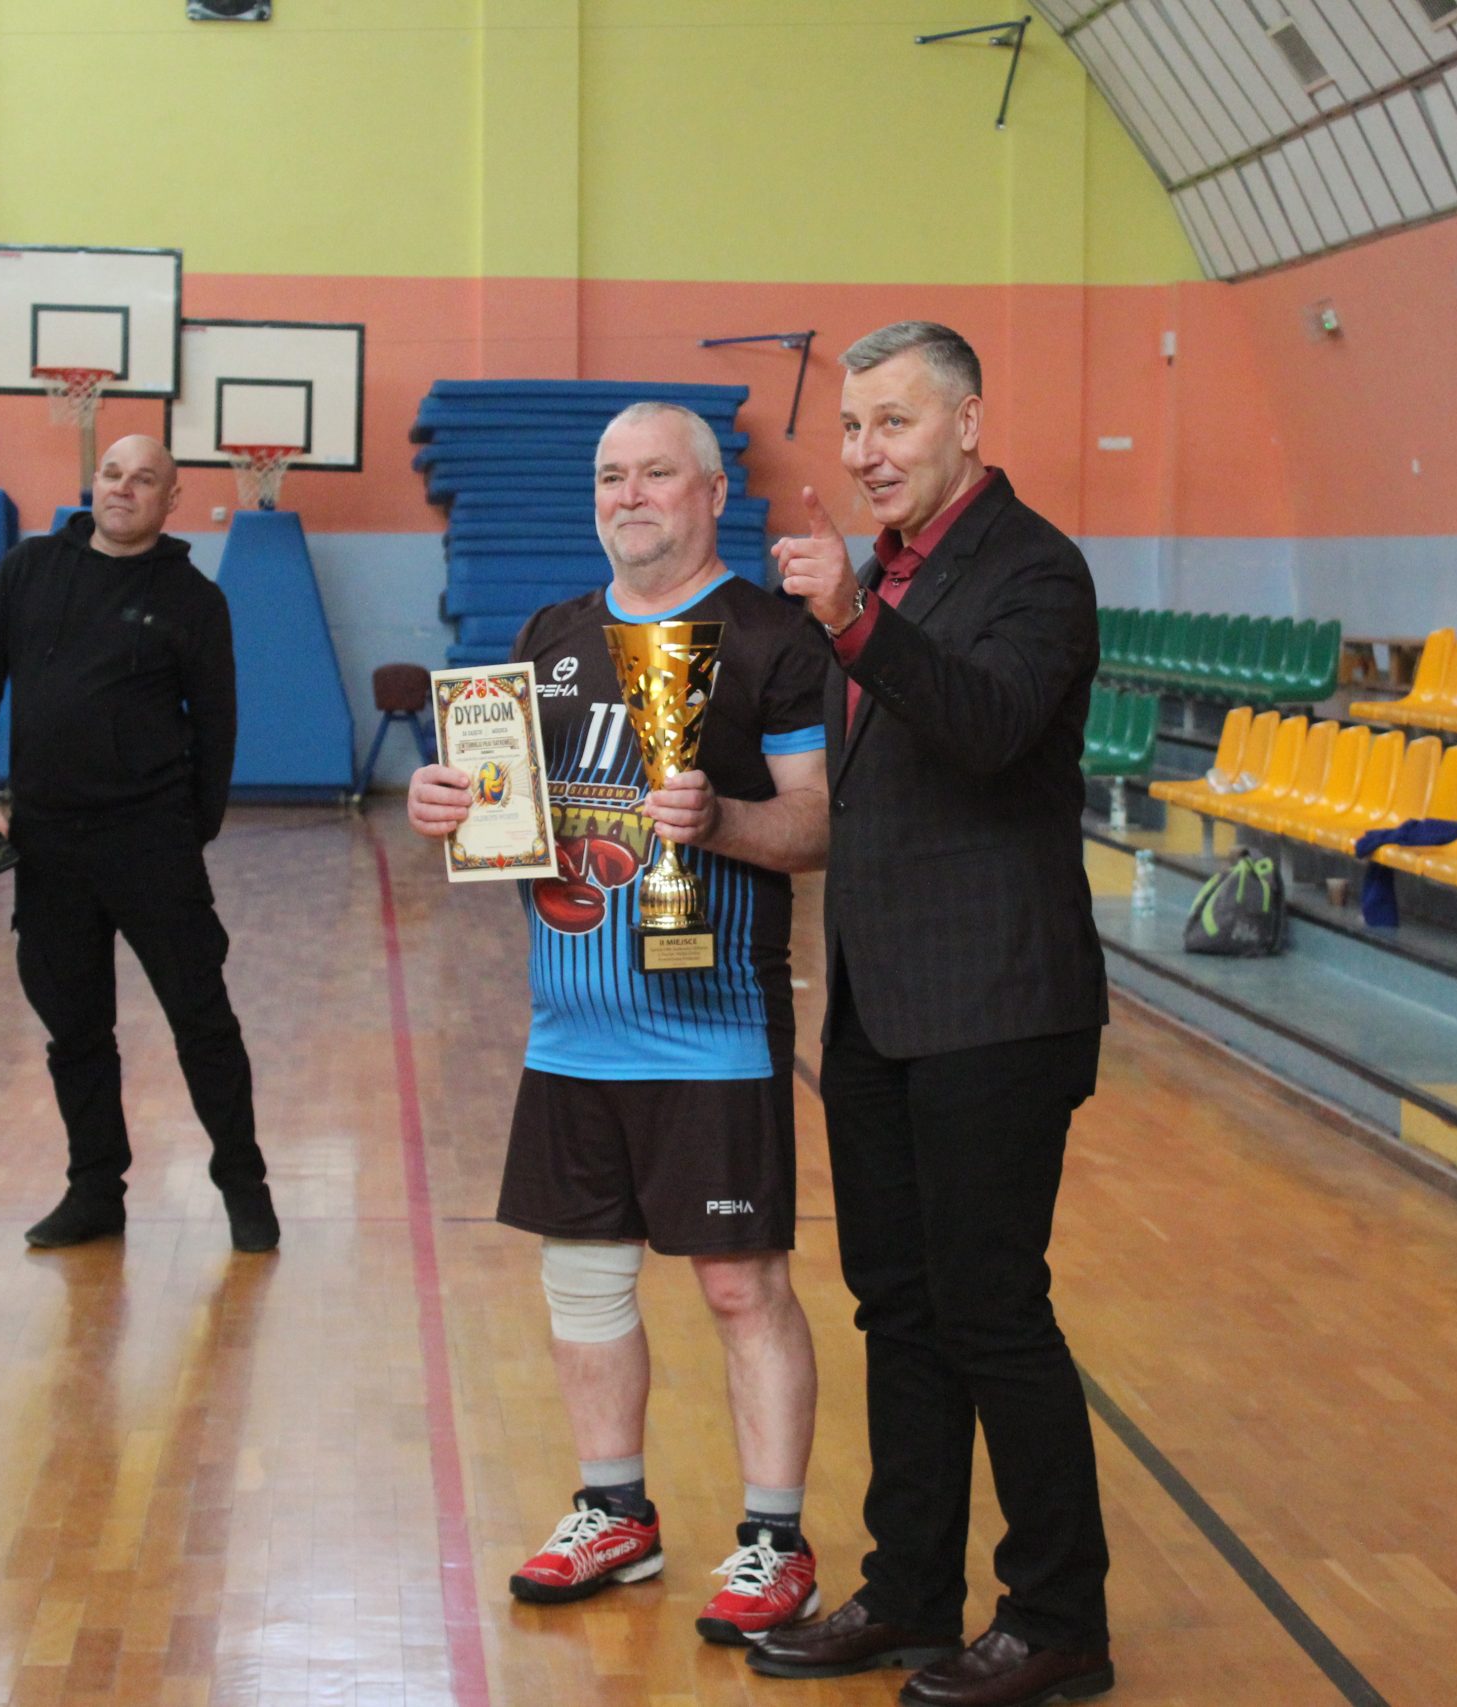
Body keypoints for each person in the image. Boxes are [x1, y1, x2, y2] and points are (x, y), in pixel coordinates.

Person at [406, 401, 832, 1645]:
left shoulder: (772, 638)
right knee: (581, 1280)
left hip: (714, 1028)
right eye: (610, 476)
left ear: (712, 492)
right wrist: (448, 807)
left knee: (741, 1287)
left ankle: (774, 1538)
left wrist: (724, 823)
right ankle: (613, 1514)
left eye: (655, 474)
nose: (628, 496)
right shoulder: (547, 636)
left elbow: (816, 822)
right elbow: (507, 817)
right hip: (568, 1029)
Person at [753, 323, 1115, 1706]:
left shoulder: (1035, 569)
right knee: (897, 1309)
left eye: (893, 422)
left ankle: (1059, 1621)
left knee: (991, 1311)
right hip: (879, 1005)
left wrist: (853, 619)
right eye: (851, 426)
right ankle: (910, 1590)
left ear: (967, 422)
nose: (864, 450)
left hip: (997, 1006)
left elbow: (988, 724)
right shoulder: (889, 575)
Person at [0, 433, 278, 1255]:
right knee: (75, 1032)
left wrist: (186, 833)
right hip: (48, 846)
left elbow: (218, 728)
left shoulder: (194, 599)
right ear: (94, 481)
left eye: (144, 479)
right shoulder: (28, 570)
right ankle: (95, 1191)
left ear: (172, 500)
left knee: (203, 1021)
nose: (123, 488)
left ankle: (244, 1186)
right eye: (112, 473)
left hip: (152, 846)